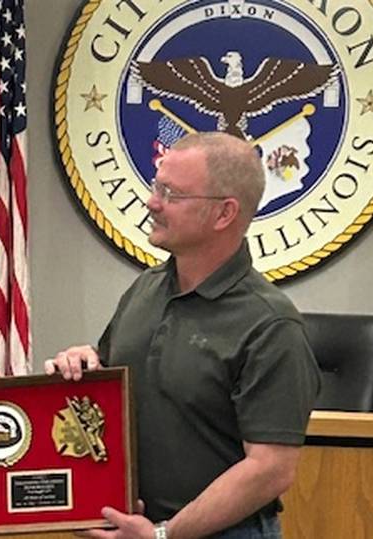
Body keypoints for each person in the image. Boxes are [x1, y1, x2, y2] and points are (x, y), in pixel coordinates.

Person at [45, 132, 320, 539]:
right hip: (130, 527)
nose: (152, 202)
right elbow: (112, 383)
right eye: (157, 187)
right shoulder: (145, 289)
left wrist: (163, 535)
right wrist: (82, 363)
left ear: (224, 214)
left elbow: (270, 469)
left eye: (172, 193)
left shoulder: (271, 325)